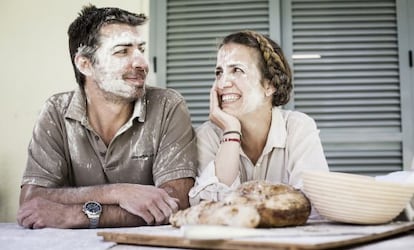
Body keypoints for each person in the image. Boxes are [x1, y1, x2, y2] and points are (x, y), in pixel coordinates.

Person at [17, 5, 197, 229]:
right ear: (85, 64)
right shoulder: (55, 111)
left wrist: (77, 215)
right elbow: (31, 201)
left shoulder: (168, 105)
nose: (142, 63)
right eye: (122, 51)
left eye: (141, 49)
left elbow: (176, 202)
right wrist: (118, 192)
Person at [189, 30, 329, 209]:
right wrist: (231, 132)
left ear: (269, 84)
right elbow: (207, 207)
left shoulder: (298, 128)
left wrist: (241, 206)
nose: (222, 83)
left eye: (237, 70)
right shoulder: (207, 136)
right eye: (219, 72)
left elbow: (314, 202)